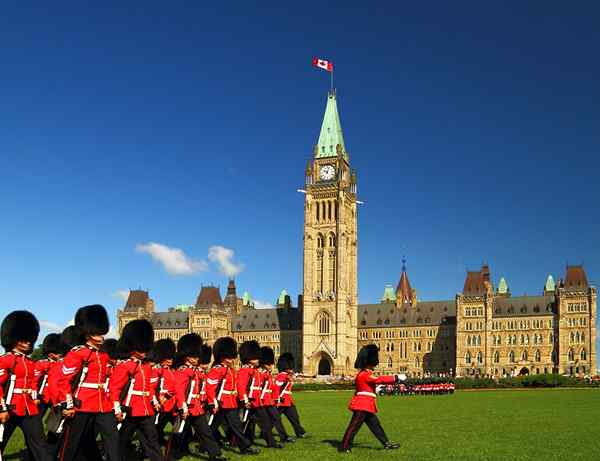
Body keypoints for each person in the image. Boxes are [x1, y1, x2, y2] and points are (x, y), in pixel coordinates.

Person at [56, 304, 120, 461]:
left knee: (113, 439)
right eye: (98, 334)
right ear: (87, 334)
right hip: (82, 404)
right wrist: (67, 404)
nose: (101, 337)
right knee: (72, 442)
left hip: (103, 405)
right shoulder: (77, 354)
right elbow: (63, 380)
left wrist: (115, 404)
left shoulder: (103, 355)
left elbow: (108, 382)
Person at [0, 310, 51, 461]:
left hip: (29, 409)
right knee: (2, 441)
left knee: (40, 445)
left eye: (30, 339)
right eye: (23, 339)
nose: (28, 342)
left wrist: (34, 398)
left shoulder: (30, 362)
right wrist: (2, 409)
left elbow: (33, 384)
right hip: (10, 408)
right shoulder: (5, 360)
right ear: (13, 338)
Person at [109, 319, 162, 461]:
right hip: (130, 408)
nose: (144, 351)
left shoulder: (145, 367)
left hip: (145, 409)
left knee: (151, 439)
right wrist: (117, 409)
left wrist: (153, 400)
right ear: (133, 346)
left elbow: (149, 388)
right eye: (141, 348)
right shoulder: (125, 366)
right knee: (122, 439)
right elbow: (115, 388)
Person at [165, 334, 224, 461]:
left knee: (205, 432)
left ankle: (215, 454)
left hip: (196, 408)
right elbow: (179, 390)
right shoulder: (183, 371)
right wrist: (182, 406)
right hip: (186, 407)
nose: (197, 358)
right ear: (188, 356)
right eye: (195, 355)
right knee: (178, 433)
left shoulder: (196, 371)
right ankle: (170, 456)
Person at [340, 344, 402, 453]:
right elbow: (379, 379)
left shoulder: (366, 373)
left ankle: (386, 443)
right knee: (354, 427)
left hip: (367, 405)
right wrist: (395, 377)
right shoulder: (364, 374)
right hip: (362, 405)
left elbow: (369, 386)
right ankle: (345, 447)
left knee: (376, 426)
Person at [207, 337, 259, 456]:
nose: (231, 360)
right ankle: (204, 445)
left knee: (236, 426)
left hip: (230, 403)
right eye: (228, 357)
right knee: (211, 428)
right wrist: (213, 402)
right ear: (221, 356)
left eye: (231, 357)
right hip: (220, 403)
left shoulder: (229, 370)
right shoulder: (217, 370)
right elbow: (210, 388)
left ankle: (245, 447)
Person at [237, 341, 281, 449]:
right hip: (249, 402)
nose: (258, 360)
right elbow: (241, 386)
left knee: (264, 423)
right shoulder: (244, 371)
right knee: (244, 424)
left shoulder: (256, 371)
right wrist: (244, 400)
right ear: (249, 358)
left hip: (257, 401)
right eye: (255, 358)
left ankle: (271, 443)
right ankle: (237, 442)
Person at [259, 347, 294, 444]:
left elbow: (273, 389)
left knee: (276, 418)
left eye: (271, 364)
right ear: (264, 364)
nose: (271, 366)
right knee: (252, 422)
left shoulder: (268, 374)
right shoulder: (261, 374)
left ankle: (284, 437)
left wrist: (276, 399)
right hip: (260, 401)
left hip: (269, 400)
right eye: (269, 364)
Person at [152, 338, 177, 447]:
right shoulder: (156, 370)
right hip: (162, 404)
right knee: (156, 428)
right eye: (168, 357)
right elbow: (152, 387)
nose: (171, 359)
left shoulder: (171, 370)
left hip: (171, 405)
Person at [275, 353, 306, 438]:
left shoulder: (287, 376)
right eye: (290, 367)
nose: (292, 369)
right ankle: (266, 433)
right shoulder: (281, 376)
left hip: (288, 401)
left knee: (294, 417)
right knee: (274, 418)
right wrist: (277, 399)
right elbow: (277, 389)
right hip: (281, 401)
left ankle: (300, 432)